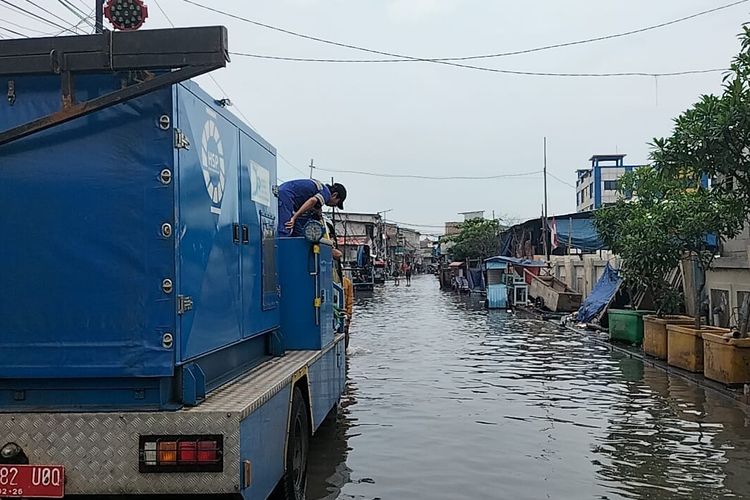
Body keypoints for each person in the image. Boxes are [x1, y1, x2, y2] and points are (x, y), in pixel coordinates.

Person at [277, 179, 347, 237]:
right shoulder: (327, 193)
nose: (334, 206)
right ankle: (279, 252)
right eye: (337, 203)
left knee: (298, 234)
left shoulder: (321, 188)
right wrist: (294, 217)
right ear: (335, 195)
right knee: (286, 228)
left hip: (285, 192)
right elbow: (312, 201)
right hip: (287, 195)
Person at [343, 274, 354, 348]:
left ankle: (345, 350)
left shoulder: (347, 282)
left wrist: (349, 314)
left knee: (346, 331)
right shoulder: (347, 282)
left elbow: (350, 299)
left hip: (344, 312)